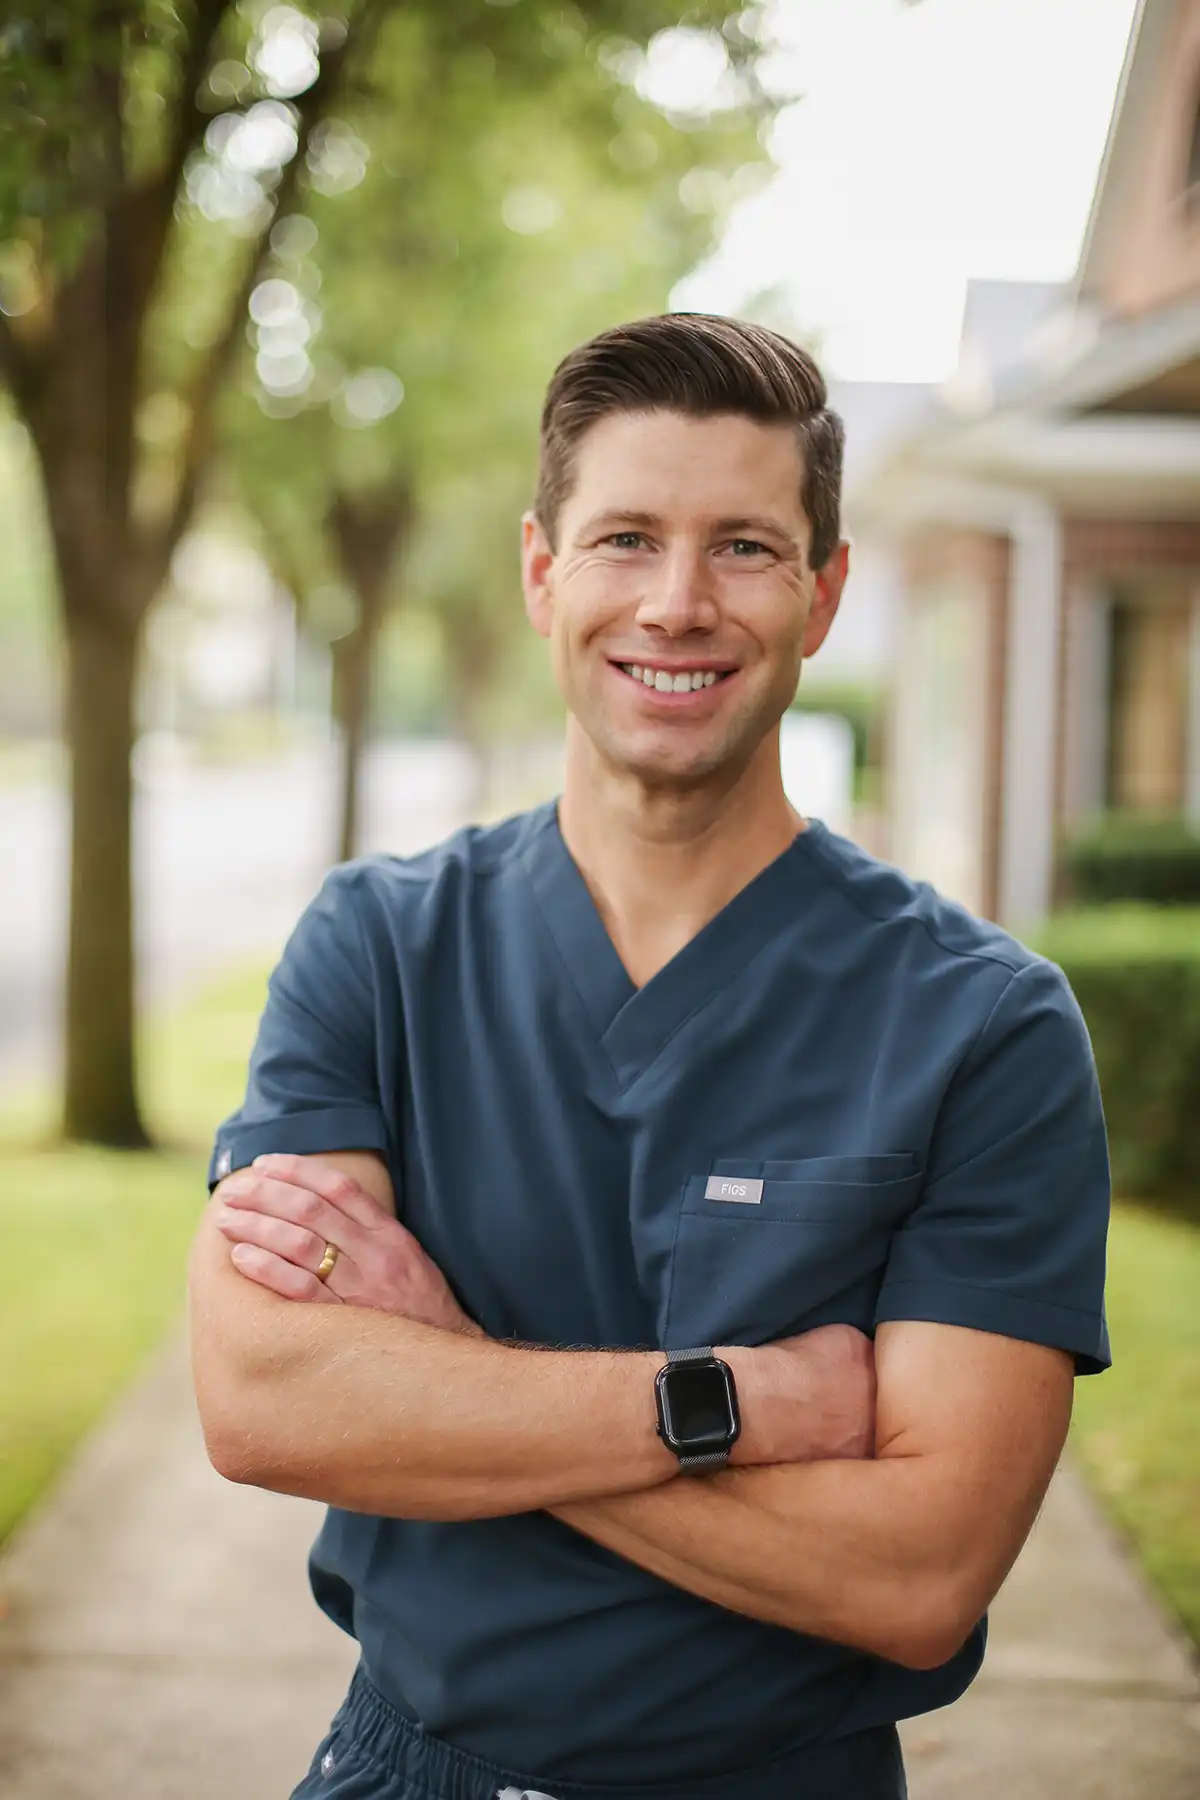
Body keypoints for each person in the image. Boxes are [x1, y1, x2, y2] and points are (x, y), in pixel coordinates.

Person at [189, 313, 1111, 1800]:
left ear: (823, 596)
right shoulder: (378, 947)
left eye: (744, 547)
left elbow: (922, 1572)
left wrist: (451, 1378)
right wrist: (734, 1405)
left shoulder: (984, 1026)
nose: (678, 603)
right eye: (625, 538)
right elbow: (264, 1403)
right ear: (545, 575)